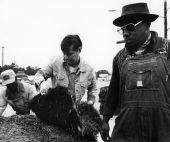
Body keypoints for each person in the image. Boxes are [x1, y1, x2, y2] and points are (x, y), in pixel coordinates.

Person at [101, 3, 170, 142]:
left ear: (146, 25)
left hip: (162, 130)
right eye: (123, 29)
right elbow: (113, 92)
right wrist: (105, 120)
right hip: (128, 130)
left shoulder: (167, 49)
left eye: (130, 27)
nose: (126, 33)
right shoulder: (120, 58)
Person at [34, 34, 97, 105]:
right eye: (64, 53)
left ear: (79, 50)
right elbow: (39, 74)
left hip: (74, 110)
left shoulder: (89, 70)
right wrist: (42, 84)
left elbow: (93, 89)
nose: (66, 57)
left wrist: (90, 102)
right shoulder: (55, 62)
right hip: (56, 109)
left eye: (69, 54)